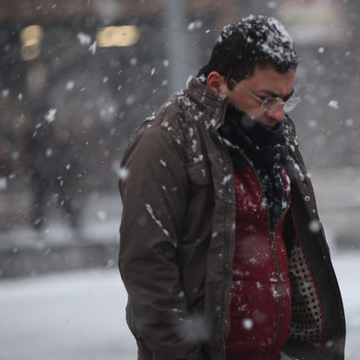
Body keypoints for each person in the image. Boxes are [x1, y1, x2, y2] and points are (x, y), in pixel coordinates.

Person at [118, 15, 345, 360]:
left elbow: (295, 246)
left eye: (286, 99)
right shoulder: (165, 142)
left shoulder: (274, 140)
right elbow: (146, 267)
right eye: (267, 99)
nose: (279, 114)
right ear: (216, 84)